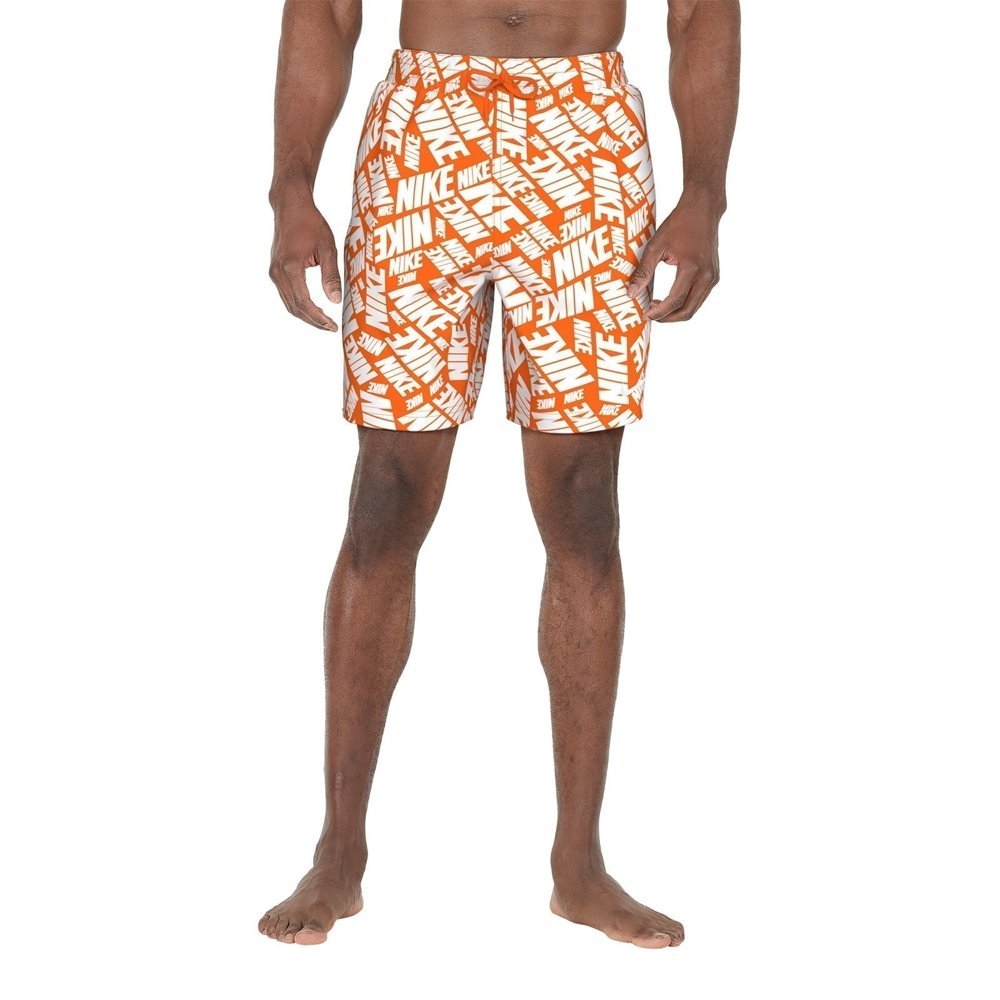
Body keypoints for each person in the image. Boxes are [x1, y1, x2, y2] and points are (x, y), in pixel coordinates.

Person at [260, 0, 740, 948]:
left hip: (586, 129)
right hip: (425, 125)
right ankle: (339, 852)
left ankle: (579, 866)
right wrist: (290, 186)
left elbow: (700, 10)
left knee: (585, 506)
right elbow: (327, 7)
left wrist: (705, 193)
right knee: (385, 498)